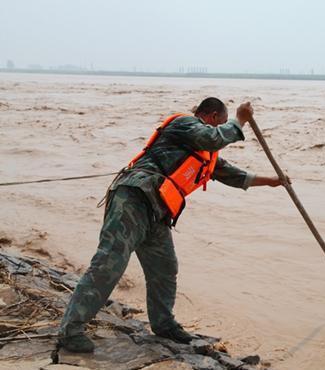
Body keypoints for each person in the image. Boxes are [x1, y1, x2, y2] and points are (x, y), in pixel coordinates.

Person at [58, 98, 286, 353]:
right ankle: (71, 330)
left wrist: (274, 181)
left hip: (158, 211)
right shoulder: (185, 124)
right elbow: (214, 138)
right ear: (210, 117)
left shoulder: (205, 156)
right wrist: (240, 118)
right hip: (133, 197)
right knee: (108, 264)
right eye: (220, 124)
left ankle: (164, 324)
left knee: (165, 268)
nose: (220, 131)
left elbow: (236, 176)